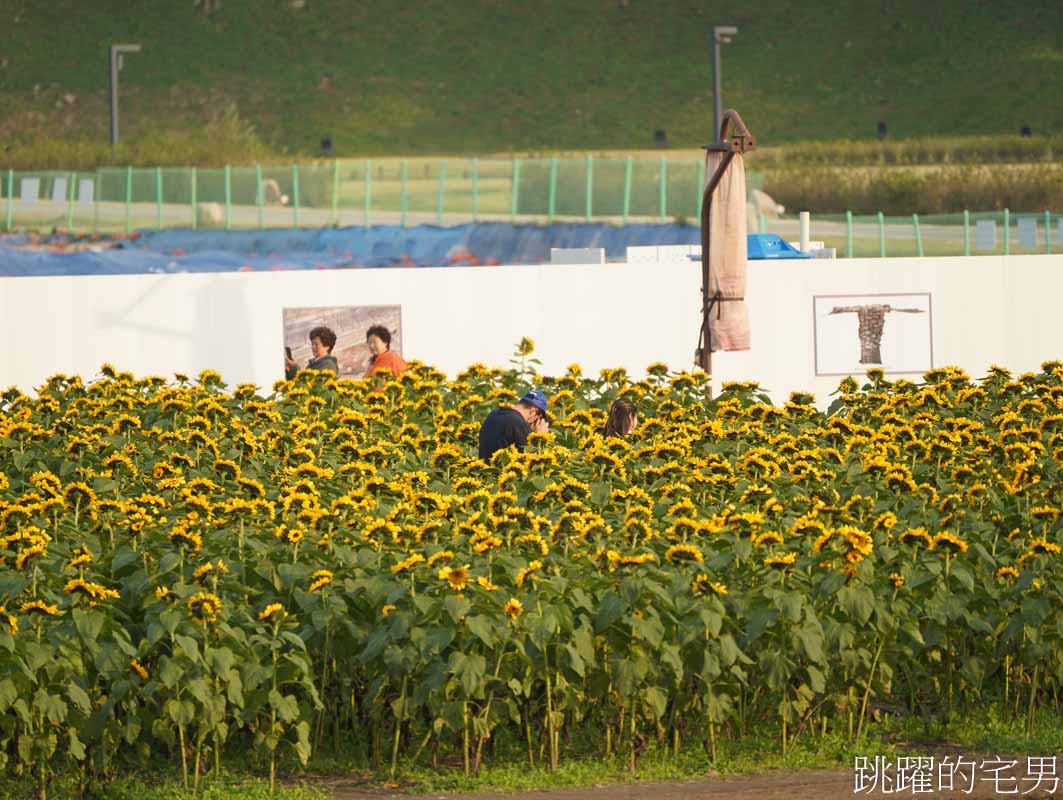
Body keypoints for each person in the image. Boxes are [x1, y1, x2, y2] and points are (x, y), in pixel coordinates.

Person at [478, 389, 549, 461]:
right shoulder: (518, 422)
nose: (533, 424)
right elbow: (529, 458)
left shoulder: (493, 414)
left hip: (484, 469)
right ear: (533, 412)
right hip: (502, 471)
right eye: (537, 419)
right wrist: (540, 436)